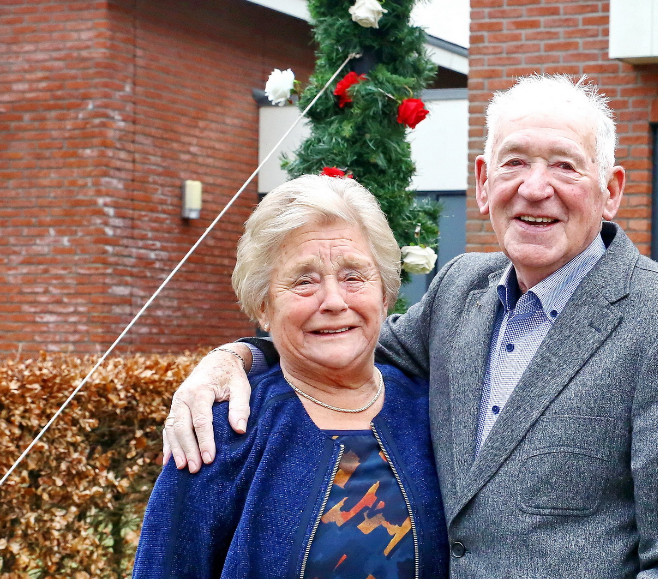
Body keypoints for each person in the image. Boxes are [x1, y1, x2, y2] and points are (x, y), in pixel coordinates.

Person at [162, 75, 658, 579]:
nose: (535, 187)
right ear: (483, 182)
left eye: (564, 166)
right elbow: (345, 342)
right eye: (515, 163)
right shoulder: (460, 290)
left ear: (610, 192)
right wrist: (233, 358)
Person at [133, 174, 449, 578]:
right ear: (263, 306)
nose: (334, 301)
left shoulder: (432, 411)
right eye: (304, 280)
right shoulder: (222, 432)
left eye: (354, 276)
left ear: (385, 295)